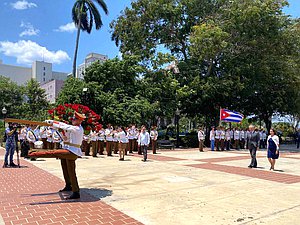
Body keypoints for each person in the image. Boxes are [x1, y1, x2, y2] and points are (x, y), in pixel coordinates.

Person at [29, 111, 85, 200]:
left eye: (75, 119)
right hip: (68, 149)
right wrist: (53, 124)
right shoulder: (73, 128)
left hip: (72, 152)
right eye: (73, 118)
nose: (73, 120)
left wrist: (53, 122)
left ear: (79, 121)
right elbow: (65, 130)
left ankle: (76, 192)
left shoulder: (77, 129)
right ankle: (69, 185)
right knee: (66, 169)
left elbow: (65, 126)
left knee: (54, 153)